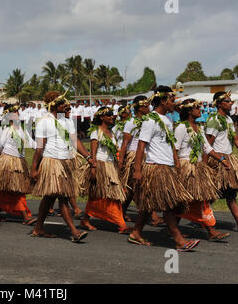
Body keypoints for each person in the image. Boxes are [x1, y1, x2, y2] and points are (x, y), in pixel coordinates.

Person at [130, 86, 200, 251]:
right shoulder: (150, 120)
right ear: (162, 100)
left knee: (149, 205)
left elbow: (170, 144)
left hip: (167, 166)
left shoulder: (168, 119)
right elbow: (141, 146)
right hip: (155, 166)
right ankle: (179, 240)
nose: (173, 103)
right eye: (171, 99)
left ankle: (136, 233)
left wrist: (175, 161)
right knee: (168, 204)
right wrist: (138, 170)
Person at [30, 91, 93, 243]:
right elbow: (39, 147)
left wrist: (88, 157)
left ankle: (38, 228)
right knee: (63, 197)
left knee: (49, 197)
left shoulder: (68, 121)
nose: (65, 105)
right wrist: (34, 168)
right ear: (53, 105)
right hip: (52, 162)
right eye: (61, 103)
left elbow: (75, 141)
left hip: (66, 162)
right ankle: (74, 231)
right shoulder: (44, 121)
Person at [175, 99, 232, 241]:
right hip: (185, 167)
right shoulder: (181, 128)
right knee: (188, 200)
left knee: (200, 199)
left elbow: (207, 148)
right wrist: (175, 169)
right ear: (189, 111)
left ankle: (209, 231)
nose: (200, 110)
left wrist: (222, 160)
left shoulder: (199, 128)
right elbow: (174, 150)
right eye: (196, 108)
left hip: (197, 167)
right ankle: (209, 231)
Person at [80, 107, 133, 234]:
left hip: (111, 166)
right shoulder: (96, 132)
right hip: (100, 166)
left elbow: (114, 152)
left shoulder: (111, 132)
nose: (112, 117)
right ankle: (121, 224)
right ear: (102, 117)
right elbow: (93, 152)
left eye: (112, 115)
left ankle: (86, 219)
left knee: (107, 195)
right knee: (100, 195)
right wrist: (93, 169)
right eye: (109, 115)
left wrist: (118, 166)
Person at [117, 96, 164, 225]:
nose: (148, 108)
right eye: (146, 106)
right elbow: (125, 143)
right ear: (139, 107)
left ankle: (121, 213)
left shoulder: (149, 121)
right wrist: (121, 161)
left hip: (147, 155)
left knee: (138, 189)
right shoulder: (131, 122)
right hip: (134, 156)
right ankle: (152, 217)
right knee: (136, 188)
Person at [205, 92, 238, 233]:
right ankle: (201, 219)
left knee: (229, 193)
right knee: (213, 194)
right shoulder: (213, 121)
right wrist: (204, 166)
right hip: (217, 160)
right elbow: (207, 145)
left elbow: (235, 139)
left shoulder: (228, 119)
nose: (231, 103)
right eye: (227, 101)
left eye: (231, 101)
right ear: (219, 103)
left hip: (228, 159)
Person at [0, 104, 37, 225]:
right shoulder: (4, 129)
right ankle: (25, 216)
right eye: (15, 112)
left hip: (20, 162)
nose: (18, 113)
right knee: (17, 190)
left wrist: (44, 151)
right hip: (9, 163)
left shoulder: (20, 128)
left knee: (8, 190)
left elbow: (31, 143)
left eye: (17, 111)